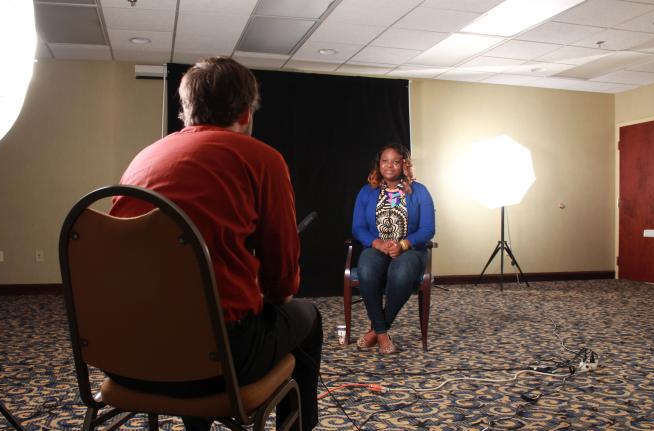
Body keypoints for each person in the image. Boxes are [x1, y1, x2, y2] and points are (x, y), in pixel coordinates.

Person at [109, 57, 322, 431]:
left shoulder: (143, 160)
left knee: (192, 320)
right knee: (308, 318)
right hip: (216, 363)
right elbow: (283, 285)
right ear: (245, 112)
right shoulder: (263, 160)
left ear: (185, 111)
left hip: (126, 356)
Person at [351, 144, 435, 354]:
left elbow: (428, 228)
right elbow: (358, 227)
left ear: (404, 165)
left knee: (402, 272)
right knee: (367, 268)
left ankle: (377, 331)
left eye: (396, 161)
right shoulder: (366, 192)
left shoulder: (419, 191)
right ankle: (382, 333)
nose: (390, 166)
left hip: (410, 250)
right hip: (377, 247)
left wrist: (404, 244)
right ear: (378, 165)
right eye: (385, 161)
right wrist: (377, 243)